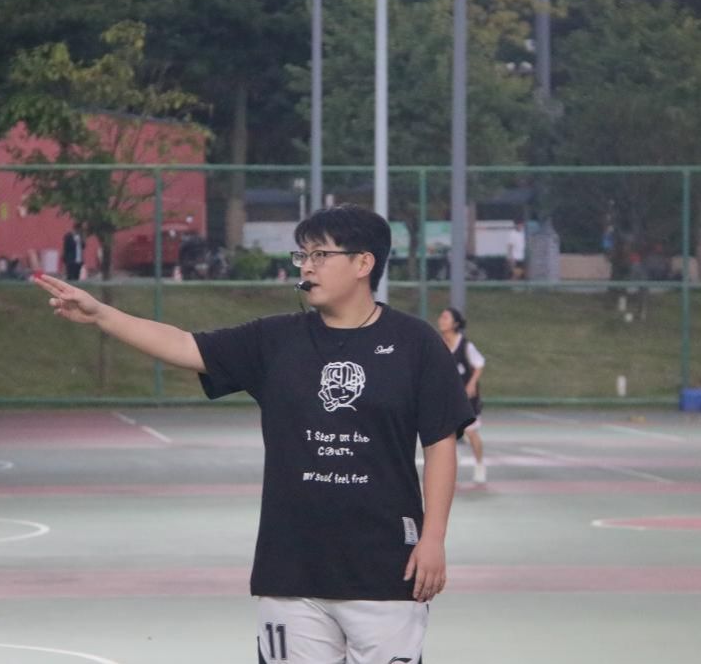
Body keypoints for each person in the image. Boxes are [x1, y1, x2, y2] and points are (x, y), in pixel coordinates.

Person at [34, 204, 471, 664]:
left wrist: (433, 538)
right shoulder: (276, 340)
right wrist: (102, 314)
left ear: (364, 263)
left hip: (386, 567)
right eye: (302, 255)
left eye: (320, 255)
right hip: (291, 570)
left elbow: (440, 444)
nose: (306, 266)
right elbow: (185, 345)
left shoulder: (416, 344)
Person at [437, 306, 488, 484]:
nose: (441, 320)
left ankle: (480, 464)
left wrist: (472, 383)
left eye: (445, 317)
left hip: (467, 398)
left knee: (471, 432)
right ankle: (453, 461)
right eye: (441, 317)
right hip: (448, 397)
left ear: (455, 323)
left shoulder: (466, 345)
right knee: (447, 434)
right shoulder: (438, 344)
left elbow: (479, 364)